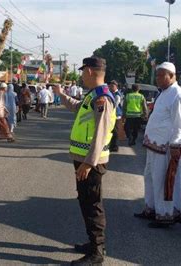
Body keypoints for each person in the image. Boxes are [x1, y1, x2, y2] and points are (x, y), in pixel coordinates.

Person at [53, 57, 116, 265]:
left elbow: (100, 133)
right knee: (85, 201)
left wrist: (88, 163)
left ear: (89, 71)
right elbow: (78, 107)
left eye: (82, 72)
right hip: (84, 160)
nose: (81, 76)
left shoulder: (102, 98)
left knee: (92, 204)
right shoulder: (94, 95)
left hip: (91, 162)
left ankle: (97, 253)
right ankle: (93, 243)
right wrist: (61, 96)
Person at [134, 62, 181, 228]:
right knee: (150, 177)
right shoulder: (164, 93)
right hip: (154, 146)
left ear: (172, 76)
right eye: (157, 75)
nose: (157, 78)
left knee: (162, 182)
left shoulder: (178, 95)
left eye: (161, 75)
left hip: (166, 148)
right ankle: (151, 209)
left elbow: (180, 124)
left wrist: (175, 145)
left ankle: (165, 215)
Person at [108, 80, 123, 152]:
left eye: (112, 86)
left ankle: (115, 146)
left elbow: (115, 105)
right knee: (111, 131)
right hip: (111, 115)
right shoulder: (111, 93)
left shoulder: (117, 94)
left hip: (116, 115)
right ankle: (112, 145)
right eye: (110, 86)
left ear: (116, 86)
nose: (110, 87)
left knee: (115, 132)